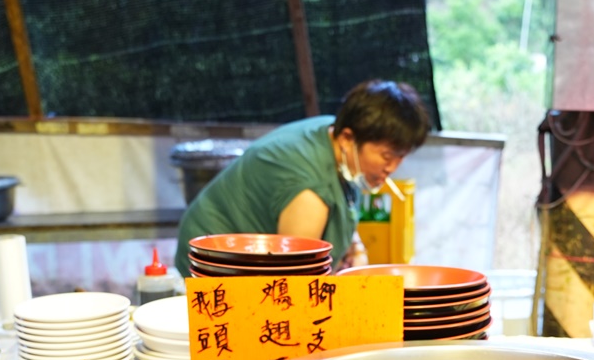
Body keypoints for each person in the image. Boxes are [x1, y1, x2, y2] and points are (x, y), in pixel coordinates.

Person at [173, 79, 431, 274]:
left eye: (401, 156)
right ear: (348, 138)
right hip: (215, 258)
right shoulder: (309, 190)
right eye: (387, 156)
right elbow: (298, 279)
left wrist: (357, 249)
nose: (393, 167)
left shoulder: (333, 132)